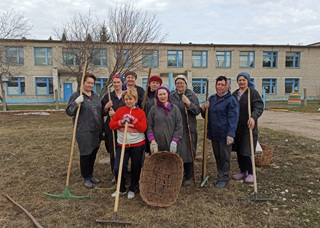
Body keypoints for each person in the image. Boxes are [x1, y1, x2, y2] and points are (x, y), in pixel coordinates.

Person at [66, 74, 103, 189]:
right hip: (84, 130)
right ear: (83, 83)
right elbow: (69, 111)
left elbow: (100, 111)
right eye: (88, 83)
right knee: (86, 153)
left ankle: (91, 174)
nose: (90, 85)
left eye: (92, 83)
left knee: (93, 153)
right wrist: (76, 103)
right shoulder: (76, 95)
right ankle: (85, 177)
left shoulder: (96, 96)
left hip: (96, 130)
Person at [201, 76, 239, 188]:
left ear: (227, 86)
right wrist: (203, 108)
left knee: (225, 156)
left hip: (225, 134)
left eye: (223, 84)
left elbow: (233, 118)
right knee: (217, 155)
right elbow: (206, 117)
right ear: (215, 85)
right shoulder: (212, 98)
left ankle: (224, 178)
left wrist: (231, 134)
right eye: (218, 84)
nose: (220, 87)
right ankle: (220, 175)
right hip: (214, 133)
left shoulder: (231, 100)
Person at [109, 88, 147, 199]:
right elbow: (112, 125)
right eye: (126, 99)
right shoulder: (120, 111)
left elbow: (143, 128)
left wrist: (134, 120)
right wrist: (121, 121)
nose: (128, 101)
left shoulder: (140, 113)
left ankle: (133, 188)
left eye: (131, 99)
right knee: (118, 167)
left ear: (135, 99)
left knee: (136, 167)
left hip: (137, 144)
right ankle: (121, 188)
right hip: (122, 144)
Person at [232, 72, 264, 183]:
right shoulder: (234, 94)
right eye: (239, 80)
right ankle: (243, 171)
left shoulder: (253, 93)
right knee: (239, 150)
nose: (241, 82)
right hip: (237, 127)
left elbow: (259, 107)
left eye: (243, 80)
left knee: (246, 150)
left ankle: (251, 172)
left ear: (248, 81)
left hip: (248, 126)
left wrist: (253, 117)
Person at [170, 75, 201, 186]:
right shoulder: (172, 95)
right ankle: (179, 173)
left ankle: (189, 175)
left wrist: (188, 103)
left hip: (189, 127)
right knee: (178, 151)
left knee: (189, 151)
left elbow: (197, 110)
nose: (180, 85)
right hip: (176, 128)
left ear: (186, 84)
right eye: (178, 83)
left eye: (182, 83)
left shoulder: (191, 95)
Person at [101, 74, 126, 183]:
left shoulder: (126, 96)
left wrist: (116, 114)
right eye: (114, 82)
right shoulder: (108, 96)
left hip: (123, 127)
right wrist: (106, 107)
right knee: (113, 150)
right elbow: (101, 112)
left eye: (118, 82)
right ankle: (115, 173)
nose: (116, 84)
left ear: (122, 83)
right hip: (111, 127)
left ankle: (123, 172)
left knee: (124, 150)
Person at [147, 86, 183, 154]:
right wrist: (152, 141)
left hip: (171, 144)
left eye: (164, 94)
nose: (162, 96)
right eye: (160, 94)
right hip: (157, 145)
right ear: (157, 96)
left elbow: (179, 126)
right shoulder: (153, 109)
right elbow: (149, 125)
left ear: (168, 95)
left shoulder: (175, 109)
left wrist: (175, 141)